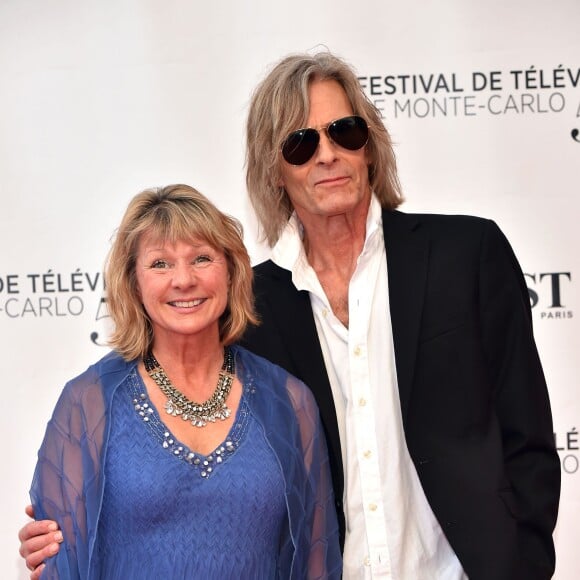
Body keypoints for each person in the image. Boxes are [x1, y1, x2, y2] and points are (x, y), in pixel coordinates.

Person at [20, 51, 560, 579]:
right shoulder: (251, 307)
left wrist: (524, 560)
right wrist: (63, 532)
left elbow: (528, 434)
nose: (325, 155)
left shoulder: (467, 255)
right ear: (274, 171)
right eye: (300, 144)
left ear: (369, 145)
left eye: (343, 131)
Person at [24, 184, 341, 579]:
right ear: (133, 282)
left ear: (231, 271)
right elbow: (60, 562)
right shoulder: (88, 404)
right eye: (160, 264)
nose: (183, 280)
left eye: (201, 258)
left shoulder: (289, 401)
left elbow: (316, 560)